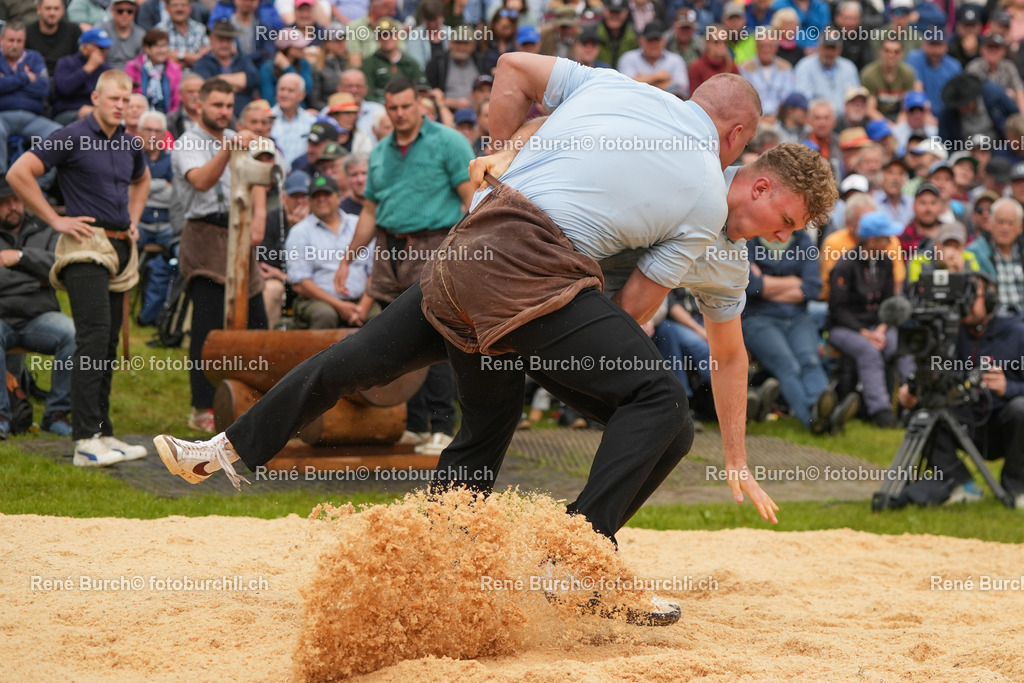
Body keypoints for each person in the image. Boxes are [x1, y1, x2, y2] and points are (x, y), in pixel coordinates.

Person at [155, 58, 836, 544]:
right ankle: (577, 548)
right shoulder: (700, 194)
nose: (781, 239)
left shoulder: (616, 88)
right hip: (537, 288)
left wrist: (499, 149)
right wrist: (575, 354)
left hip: (473, 248)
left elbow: (512, 65)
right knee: (660, 405)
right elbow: (632, 308)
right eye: (787, 221)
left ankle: (238, 453)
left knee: (389, 376)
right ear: (747, 157)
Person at [6, 69, 151, 465]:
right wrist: (55, 220)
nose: (120, 105)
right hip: (84, 247)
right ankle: (84, 440)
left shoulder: (129, 142)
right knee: (92, 338)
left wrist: (135, 219)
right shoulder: (72, 134)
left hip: (121, 246)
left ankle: (102, 432)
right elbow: (19, 172)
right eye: (114, 99)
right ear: (97, 97)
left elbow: (143, 180)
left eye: (126, 99)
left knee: (106, 344)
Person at [172, 77, 267, 433]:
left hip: (239, 233)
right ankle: (202, 408)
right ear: (199, 105)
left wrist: (259, 217)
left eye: (229, 106)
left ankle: (260, 401)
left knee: (258, 323)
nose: (224, 112)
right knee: (208, 329)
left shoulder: (237, 138)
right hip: (204, 235)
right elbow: (200, 181)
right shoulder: (187, 142)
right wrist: (230, 149)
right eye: (217, 105)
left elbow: (261, 176)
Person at [897, 273, 1024, 507]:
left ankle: (1017, 488)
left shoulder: (1016, 332)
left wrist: (1009, 387)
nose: (963, 303)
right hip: (963, 421)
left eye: (971, 295)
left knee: (1021, 408)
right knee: (923, 415)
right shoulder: (945, 334)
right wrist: (914, 389)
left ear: (990, 300)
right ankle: (962, 484)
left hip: (1003, 422)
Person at [0, 176, 75, 439]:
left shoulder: (46, 229)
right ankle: (2, 415)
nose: (13, 207)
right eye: (5, 202)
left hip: (40, 317)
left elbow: (59, 265)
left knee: (71, 334)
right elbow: (46, 268)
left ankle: (56, 413)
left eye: (16, 200)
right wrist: (34, 272)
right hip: (2, 319)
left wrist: (19, 258)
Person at [826, 211, 903, 428]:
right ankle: (881, 412)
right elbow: (838, 310)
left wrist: (880, 329)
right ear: (871, 240)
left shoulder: (886, 263)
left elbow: (889, 302)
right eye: (886, 238)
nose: (890, 242)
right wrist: (865, 333)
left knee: (896, 345)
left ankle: (907, 405)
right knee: (868, 351)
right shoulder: (845, 265)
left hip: (876, 325)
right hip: (843, 328)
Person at [285, 174, 375, 328]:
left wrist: (363, 306)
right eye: (316, 195)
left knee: (379, 317)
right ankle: (317, 353)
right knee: (324, 315)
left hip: (361, 298)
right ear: (309, 201)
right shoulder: (300, 232)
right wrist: (340, 306)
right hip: (316, 301)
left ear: (339, 197)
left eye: (327, 194)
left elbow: (375, 272)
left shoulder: (359, 225)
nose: (321, 199)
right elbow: (299, 283)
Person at [0, 21, 61, 176]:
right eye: (11, 40)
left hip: (32, 117)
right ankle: (2, 187)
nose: (15, 44)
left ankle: (38, 188)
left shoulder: (34, 57)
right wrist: (26, 78)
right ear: (1, 40)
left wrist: (8, 82)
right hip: (2, 117)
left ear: (24, 42)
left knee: (58, 135)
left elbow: (43, 88)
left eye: (19, 41)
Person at [25, 0, 81, 75]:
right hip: (38, 79)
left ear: (63, 10)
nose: (52, 13)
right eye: (48, 8)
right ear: (39, 9)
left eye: (56, 8)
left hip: (67, 79)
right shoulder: (27, 32)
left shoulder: (73, 30)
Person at [97, 0, 145, 70]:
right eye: (120, 11)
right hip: (105, 74)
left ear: (134, 12)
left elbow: (142, 63)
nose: (125, 15)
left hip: (132, 76)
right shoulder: (101, 30)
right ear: (112, 11)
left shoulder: (141, 34)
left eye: (129, 11)